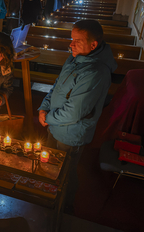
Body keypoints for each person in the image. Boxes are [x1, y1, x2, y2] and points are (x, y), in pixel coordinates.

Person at [38, 20, 117, 211]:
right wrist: (43, 107)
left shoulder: (95, 72)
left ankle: (65, 207)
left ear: (93, 45)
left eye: (77, 41)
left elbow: (75, 112)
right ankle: (48, 196)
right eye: (71, 39)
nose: (71, 44)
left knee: (65, 172)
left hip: (71, 133)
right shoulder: (74, 58)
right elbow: (57, 86)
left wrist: (47, 118)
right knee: (49, 165)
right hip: (55, 125)